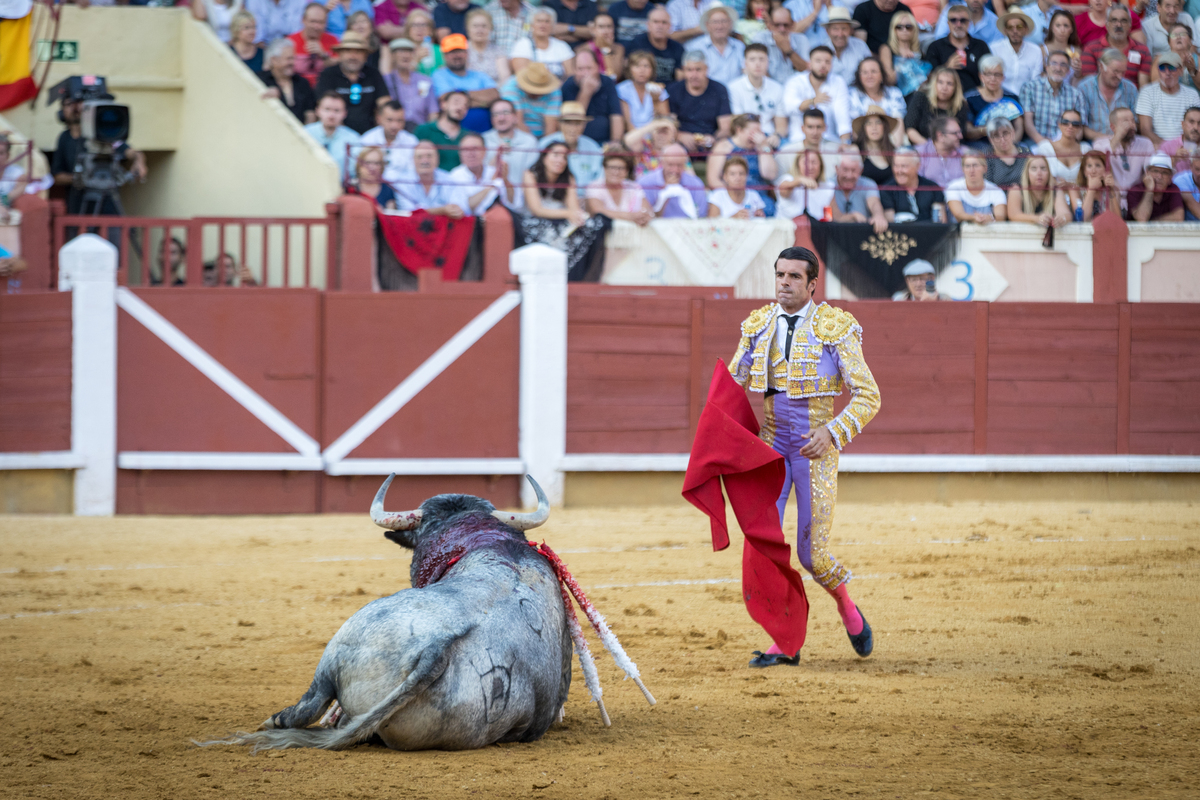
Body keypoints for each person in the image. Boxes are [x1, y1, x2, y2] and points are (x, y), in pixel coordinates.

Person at [728, 246, 881, 667]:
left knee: (812, 554)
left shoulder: (835, 328)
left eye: (794, 277)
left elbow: (869, 396)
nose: (784, 283)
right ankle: (785, 640)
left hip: (815, 452)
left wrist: (832, 432)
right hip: (772, 449)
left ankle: (847, 607)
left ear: (813, 284)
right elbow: (731, 385)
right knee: (765, 544)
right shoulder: (758, 326)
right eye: (780, 275)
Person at [518, 142, 608, 281]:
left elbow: (574, 209)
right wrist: (568, 213)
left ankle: (574, 275)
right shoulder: (530, 174)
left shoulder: (569, 178)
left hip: (559, 220)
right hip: (533, 220)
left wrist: (575, 216)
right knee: (547, 230)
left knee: (591, 226)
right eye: (556, 155)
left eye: (564, 157)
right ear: (544, 156)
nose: (560, 160)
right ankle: (549, 274)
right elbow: (536, 209)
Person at [50, 95, 147, 216]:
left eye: (80, 104)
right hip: (79, 205)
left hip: (108, 205)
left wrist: (139, 161)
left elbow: (132, 153)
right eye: (69, 104)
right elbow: (57, 176)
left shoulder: (105, 135)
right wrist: (81, 178)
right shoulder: (64, 138)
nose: (75, 108)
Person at [314, 34, 390, 134]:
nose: (353, 56)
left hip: (371, 134)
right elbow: (323, 106)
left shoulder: (373, 74)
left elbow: (384, 103)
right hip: (337, 133)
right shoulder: (328, 74)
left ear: (365, 56)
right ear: (340, 54)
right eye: (348, 51)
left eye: (358, 52)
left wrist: (378, 132)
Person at [707, 113, 779, 214]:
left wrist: (764, 148)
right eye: (754, 132)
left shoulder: (762, 146)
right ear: (739, 130)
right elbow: (713, 180)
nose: (758, 136)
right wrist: (735, 198)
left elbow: (770, 175)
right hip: (731, 198)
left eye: (759, 132)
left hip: (758, 198)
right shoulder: (723, 147)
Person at [431, 33, 501, 133]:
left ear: (467, 53)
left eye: (460, 51)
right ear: (444, 56)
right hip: (454, 132)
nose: (456, 55)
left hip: (485, 131)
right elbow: (446, 99)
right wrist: (483, 102)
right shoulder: (439, 74)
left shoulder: (479, 75)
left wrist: (461, 95)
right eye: (451, 52)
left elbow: (495, 95)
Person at [781, 46, 852, 144]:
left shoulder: (838, 82)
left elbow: (842, 115)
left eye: (827, 62)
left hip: (828, 140)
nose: (823, 65)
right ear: (809, 63)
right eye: (818, 61)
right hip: (798, 141)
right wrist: (812, 101)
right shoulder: (794, 81)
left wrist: (845, 143)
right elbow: (789, 107)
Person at [667, 52, 733, 153]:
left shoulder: (719, 90)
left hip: (712, 144)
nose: (694, 75)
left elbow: (725, 128)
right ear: (684, 70)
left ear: (706, 69)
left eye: (698, 69)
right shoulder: (674, 90)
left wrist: (713, 139)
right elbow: (668, 124)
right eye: (689, 70)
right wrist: (679, 136)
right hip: (680, 143)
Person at [483, 98, 540, 211]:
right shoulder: (483, 140)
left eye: (506, 113)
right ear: (492, 119)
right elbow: (480, 176)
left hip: (522, 204)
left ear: (515, 117)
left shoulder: (529, 142)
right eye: (496, 114)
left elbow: (533, 176)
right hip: (488, 203)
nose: (501, 118)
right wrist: (497, 156)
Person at [925, 2, 993, 93]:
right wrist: (947, 67)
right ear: (948, 23)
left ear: (969, 23)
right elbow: (928, 79)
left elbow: (990, 75)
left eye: (963, 20)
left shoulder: (981, 46)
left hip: (974, 98)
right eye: (953, 20)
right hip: (944, 98)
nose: (958, 24)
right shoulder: (936, 47)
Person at [1021, 50, 1087, 144]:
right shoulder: (1030, 88)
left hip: (1066, 144)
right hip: (1037, 142)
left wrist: (1063, 145)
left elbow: (1080, 129)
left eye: (1063, 65)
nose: (1058, 68)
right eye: (1054, 63)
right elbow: (1028, 124)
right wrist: (1045, 144)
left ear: (1068, 71)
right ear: (1047, 67)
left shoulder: (1076, 94)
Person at [1094, 106, 1157, 204]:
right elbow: (1100, 163)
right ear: (1112, 127)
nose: (1131, 125)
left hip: (1136, 199)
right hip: (1111, 198)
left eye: (1132, 121)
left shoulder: (1146, 143)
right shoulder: (1100, 144)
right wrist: (1117, 138)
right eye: (1125, 122)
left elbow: (1149, 171)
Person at [560, 48, 624, 144]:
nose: (586, 74)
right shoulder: (568, 86)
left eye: (589, 68)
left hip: (605, 141)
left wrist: (616, 142)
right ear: (574, 70)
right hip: (577, 142)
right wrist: (585, 93)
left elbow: (616, 115)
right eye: (580, 69)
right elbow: (572, 120)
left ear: (597, 67)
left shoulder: (607, 82)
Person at [1081, 5, 1152, 87]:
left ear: (1130, 25)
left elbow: (1143, 87)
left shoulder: (1142, 51)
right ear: (1107, 24)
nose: (1119, 25)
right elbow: (1090, 86)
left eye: (1123, 21)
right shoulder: (1091, 49)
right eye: (1114, 20)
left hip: (1132, 98)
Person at [1137, 52, 1200, 146]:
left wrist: (1182, 149)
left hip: (1186, 148)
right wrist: (1169, 148)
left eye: (1172, 68)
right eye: (1162, 68)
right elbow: (1145, 130)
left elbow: (1197, 128)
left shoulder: (1192, 94)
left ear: (1181, 71)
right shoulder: (1147, 92)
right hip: (1157, 148)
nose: (1167, 73)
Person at [539, 101, 604, 189]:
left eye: (577, 123)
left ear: (584, 125)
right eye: (568, 122)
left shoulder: (592, 147)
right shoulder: (545, 144)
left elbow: (600, 179)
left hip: (587, 199)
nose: (573, 128)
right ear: (560, 124)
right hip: (553, 197)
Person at [394, 140, 470, 215]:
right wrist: (442, 210)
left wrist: (450, 210)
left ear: (437, 158)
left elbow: (459, 209)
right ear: (413, 160)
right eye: (419, 157)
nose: (425, 161)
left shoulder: (448, 179)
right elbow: (409, 213)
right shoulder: (403, 182)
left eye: (429, 156)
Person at [728, 44, 785, 142]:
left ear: (768, 63)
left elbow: (782, 125)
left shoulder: (777, 88)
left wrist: (776, 136)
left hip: (769, 136)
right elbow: (736, 122)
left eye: (762, 59)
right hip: (744, 136)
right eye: (752, 59)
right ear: (745, 63)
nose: (757, 64)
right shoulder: (733, 88)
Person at [1079, 48, 1141, 139]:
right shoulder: (1084, 88)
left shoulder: (1130, 88)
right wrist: (1109, 141)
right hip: (1094, 144)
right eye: (1115, 71)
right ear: (1101, 66)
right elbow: (1082, 127)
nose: (1119, 77)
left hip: (1125, 142)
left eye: (1123, 72)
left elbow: (1136, 123)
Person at [964, 56, 1026, 142]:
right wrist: (990, 129)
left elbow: (1019, 127)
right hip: (980, 144)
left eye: (997, 74)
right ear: (981, 76)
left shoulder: (1012, 98)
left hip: (1009, 143)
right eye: (988, 74)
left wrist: (1011, 145)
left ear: (1003, 77)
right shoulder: (969, 98)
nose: (993, 79)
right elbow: (968, 131)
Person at [639, 142, 710, 217]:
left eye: (679, 165)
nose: (675, 170)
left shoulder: (695, 184)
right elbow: (646, 215)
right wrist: (666, 190)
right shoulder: (645, 182)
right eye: (670, 165)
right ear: (662, 163)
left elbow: (701, 215)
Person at [305, 92, 362, 182]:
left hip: (341, 189)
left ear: (345, 113)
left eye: (337, 111)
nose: (331, 115)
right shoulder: (305, 133)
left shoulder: (353, 138)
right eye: (327, 109)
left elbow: (355, 172)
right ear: (317, 110)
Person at [585, 148, 653, 224]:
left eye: (621, 168)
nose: (616, 172)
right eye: (612, 167)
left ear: (627, 171)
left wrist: (644, 216)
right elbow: (598, 211)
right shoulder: (594, 186)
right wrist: (631, 216)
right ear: (604, 168)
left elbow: (646, 209)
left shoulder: (633, 187)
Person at [830, 146, 889, 233]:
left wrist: (878, 215)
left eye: (853, 170)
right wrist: (853, 216)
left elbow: (874, 203)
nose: (849, 176)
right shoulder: (828, 185)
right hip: (833, 235)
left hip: (861, 235)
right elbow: (835, 217)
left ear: (861, 171)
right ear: (837, 169)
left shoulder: (869, 184)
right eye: (845, 170)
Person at [905, 67, 969, 145]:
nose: (944, 88)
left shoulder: (960, 105)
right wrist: (930, 148)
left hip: (949, 149)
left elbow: (960, 136)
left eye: (949, 84)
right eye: (940, 82)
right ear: (934, 83)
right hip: (921, 146)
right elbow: (910, 129)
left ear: (956, 88)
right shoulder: (921, 97)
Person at [360, 100, 419, 185]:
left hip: (403, 191)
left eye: (399, 120)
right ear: (379, 118)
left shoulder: (411, 141)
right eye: (390, 120)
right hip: (375, 188)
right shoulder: (367, 140)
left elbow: (413, 173)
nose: (394, 125)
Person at [449, 132, 510, 215]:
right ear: (460, 153)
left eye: (475, 149)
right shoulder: (454, 176)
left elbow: (512, 203)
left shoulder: (493, 171)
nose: (471, 154)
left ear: (484, 151)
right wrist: (491, 185)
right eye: (466, 149)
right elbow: (465, 208)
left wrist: (506, 180)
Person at [880, 147, 947, 221]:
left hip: (930, 231)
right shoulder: (887, 189)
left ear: (917, 166)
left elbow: (940, 221)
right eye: (896, 166)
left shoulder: (933, 188)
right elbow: (890, 222)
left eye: (904, 166)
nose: (899, 171)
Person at [259, 38, 317, 123]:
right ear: (274, 60)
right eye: (288, 59)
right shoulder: (260, 79)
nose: (292, 63)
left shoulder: (302, 82)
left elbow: (310, 113)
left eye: (293, 58)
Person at [383, 38, 438, 127]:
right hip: (395, 130)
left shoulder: (425, 80)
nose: (406, 55)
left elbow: (433, 111)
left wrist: (429, 133)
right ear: (392, 56)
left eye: (409, 52)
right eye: (401, 52)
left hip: (420, 130)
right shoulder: (386, 80)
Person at [1006, 153, 1071, 228]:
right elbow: (1013, 215)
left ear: (1049, 173)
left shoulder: (1056, 191)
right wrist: (1037, 218)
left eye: (1043, 168)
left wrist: (1061, 219)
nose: (1039, 173)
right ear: (1027, 173)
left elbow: (1066, 214)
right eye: (1034, 169)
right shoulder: (1016, 189)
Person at [847, 57, 905, 140]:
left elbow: (898, 124)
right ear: (859, 76)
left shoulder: (894, 93)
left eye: (873, 71)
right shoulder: (850, 94)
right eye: (865, 72)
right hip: (861, 146)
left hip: (889, 145)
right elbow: (854, 128)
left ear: (882, 75)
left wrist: (893, 149)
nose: (869, 76)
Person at [511, 6, 577, 79]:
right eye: (539, 21)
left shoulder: (562, 46)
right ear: (532, 25)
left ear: (553, 26)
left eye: (547, 21)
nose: (543, 25)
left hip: (559, 87)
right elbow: (522, 75)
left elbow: (571, 75)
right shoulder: (523, 44)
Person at [501, 63, 564, 138]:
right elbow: (517, 122)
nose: (537, 93)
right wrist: (532, 145)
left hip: (542, 138)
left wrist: (545, 145)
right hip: (517, 137)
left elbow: (551, 126)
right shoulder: (511, 86)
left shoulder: (554, 91)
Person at [751, 6, 811, 85]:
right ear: (770, 25)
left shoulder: (802, 39)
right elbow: (758, 71)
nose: (782, 29)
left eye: (785, 25)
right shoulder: (760, 39)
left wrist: (789, 51)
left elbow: (806, 70)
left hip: (796, 89)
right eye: (777, 25)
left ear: (793, 24)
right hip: (769, 89)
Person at [629, 6, 688, 84]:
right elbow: (629, 72)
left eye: (664, 22)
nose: (660, 26)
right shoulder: (637, 44)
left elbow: (681, 77)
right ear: (648, 25)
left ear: (670, 26)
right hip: (643, 89)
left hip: (670, 92)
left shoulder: (678, 48)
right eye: (656, 22)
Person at [992, 9, 1044, 95]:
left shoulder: (1035, 50)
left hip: (1026, 98)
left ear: (1025, 30)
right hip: (1000, 97)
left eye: (1019, 27)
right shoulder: (994, 48)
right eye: (1010, 27)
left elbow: (1035, 81)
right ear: (1005, 31)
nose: (1015, 31)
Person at [945, 152, 1009, 222]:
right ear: (963, 169)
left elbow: (1001, 216)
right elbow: (958, 215)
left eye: (975, 165)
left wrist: (987, 218)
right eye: (967, 166)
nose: (971, 170)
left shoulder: (996, 191)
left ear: (985, 168)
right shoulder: (953, 187)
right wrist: (976, 218)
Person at [691, 5, 746, 86]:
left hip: (736, 94)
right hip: (709, 95)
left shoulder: (739, 46)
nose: (720, 26)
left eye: (724, 21)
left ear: (730, 24)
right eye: (715, 22)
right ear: (707, 25)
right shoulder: (696, 47)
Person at [879, 11, 930, 97]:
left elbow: (927, 79)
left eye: (908, 27)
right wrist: (903, 62)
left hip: (919, 95)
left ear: (914, 29)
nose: (904, 30)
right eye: (899, 27)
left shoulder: (920, 51)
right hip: (897, 96)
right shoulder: (886, 49)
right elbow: (889, 80)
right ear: (893, 29)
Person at [1036, 108, 1092, 187]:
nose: (1070, 126)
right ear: (1059, 124)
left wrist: (1070, 186)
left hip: (1081, 197)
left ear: (1080, 127)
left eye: (1075, 124)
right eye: (1065, 122)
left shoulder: (1086, 149)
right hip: (1054, 196)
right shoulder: (1045, 148)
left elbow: (1090, 180)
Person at [775, 148, 835, 219]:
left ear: (821, 165)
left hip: (816, 228)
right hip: (787, 228)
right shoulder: (788, 179)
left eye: (814, 162)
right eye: (805, 163)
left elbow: (830, 216)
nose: (810, 167)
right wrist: (799, 180)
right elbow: (783, 190)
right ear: (798, 165)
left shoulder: (829, 186)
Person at [415, 90, 469, 169]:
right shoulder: (423, 130)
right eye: (456, 102)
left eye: (465, 106)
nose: (460, 107)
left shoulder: (468, 137)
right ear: (443, 104)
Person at [287, 3, 337, 87]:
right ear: (303, 20)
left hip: (325, 87)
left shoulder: (333, 41)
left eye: (321, 22)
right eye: (313, 21)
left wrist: (324, 55)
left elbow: (340, 68)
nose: (316, 26)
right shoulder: (290, 42)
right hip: (297, 88)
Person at [618, 51, 670, 129]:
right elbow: (627, 123)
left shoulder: (658, 90)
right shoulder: (622, 90)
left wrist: (655, 102)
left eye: (646, 66)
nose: (642, 70)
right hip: (632, 136)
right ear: (630, 69)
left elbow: (665, 121)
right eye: (637, 66)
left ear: (652, 70)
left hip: (654, 136)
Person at [1126, 152, 1186, 218]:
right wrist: (1149, 190)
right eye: (1155, 171)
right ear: (1147, 173)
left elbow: (1178, 217)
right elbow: (1141, 219)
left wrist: (1152, 226)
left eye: (1164, 172)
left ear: (1170, 178)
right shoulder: (1135, 191)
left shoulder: (1173, 189)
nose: (1159, 177)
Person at [852, 105, 901, 185]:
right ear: (864, 128)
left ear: (885, 126)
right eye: (869, 123)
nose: (874, 127)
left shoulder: (894, 151)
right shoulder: (855, 150)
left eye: (878, 123)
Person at [823, 8, 872, 88]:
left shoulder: (860, 46)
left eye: (844, 29)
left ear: (851, 30)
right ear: (827, 31)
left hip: (857, 93)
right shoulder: (821, 49)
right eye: (835, 29)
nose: (840, 34)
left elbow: (870, 67)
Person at [980, 116, 1029, 188]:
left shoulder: (1025, 152)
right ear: (991, 139)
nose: (1002, 140)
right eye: (996, 136)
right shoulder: (987, 156)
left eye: (1005, 134)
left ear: (1012, 133)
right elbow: (987, 186)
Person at [465, 9, 511, 84]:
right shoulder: (462, 49)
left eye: (484, 26)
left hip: (494, 91)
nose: (480, 30)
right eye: (475, 26)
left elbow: (505, 78)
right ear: (468, 29)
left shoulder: (498, 50)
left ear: (491, 28)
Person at [931, 0, 1002, 45]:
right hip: (952, 55)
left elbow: (996, 47)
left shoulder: (994, 21)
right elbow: (939, 38)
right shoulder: (950, 12)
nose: (975, 0)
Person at [1079, 149, 1123, 218]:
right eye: (1089, 166)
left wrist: (1110, 190)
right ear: (1084, 171)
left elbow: (1116, 218)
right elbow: (1083, 218)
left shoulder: (1113, 190)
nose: (1093, 171)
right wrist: (1091, 190)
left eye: (1098, 165)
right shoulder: (1078, 191)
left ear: (1106, 169)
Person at [1041, 9, 1084, 78]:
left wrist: (1078, 72)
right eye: (1058, 25)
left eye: (1066, 26)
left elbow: (1079, 78)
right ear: (1052, 27)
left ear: (1072, 29)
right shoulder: (1042, 51)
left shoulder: (1077, 51)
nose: (1062, 30)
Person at [584, 14, 626, 80]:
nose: (606, 31)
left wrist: (605, 48)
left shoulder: (618, 48)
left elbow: (615, 76)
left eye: (609, 27)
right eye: (601, 27)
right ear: (593, 30)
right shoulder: (585, 49)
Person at [402, 10, 443, 75]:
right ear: (408, 30)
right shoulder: (402, 51)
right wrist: (416, 60)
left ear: (430, 30)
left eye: (424, 25)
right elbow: (402, 78)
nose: (419, 29)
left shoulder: (439, 50)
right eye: (414, 25)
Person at [1161, 106, 1200, 170]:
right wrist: (1174, 160)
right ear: (1183, 124)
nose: (1196, 127)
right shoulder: (1167, 147)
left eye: (1199, 123)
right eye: (1191, 122)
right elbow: (1159, 175)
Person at [1165, 23, 1200, 89]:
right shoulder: (1162, 60)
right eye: (1174, 35)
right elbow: (1160, 88)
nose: (1178, 37)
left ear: (1190, 41)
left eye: (1182, 34)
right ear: (1169, 42)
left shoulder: (1198, 59)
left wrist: (1193, 71)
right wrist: (1178, 67)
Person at [1173, 150, 1200, 218]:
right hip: (1188, 227)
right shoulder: (1181, 180)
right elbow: (1195, 209)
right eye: (1198, 169)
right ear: (1191, 167)